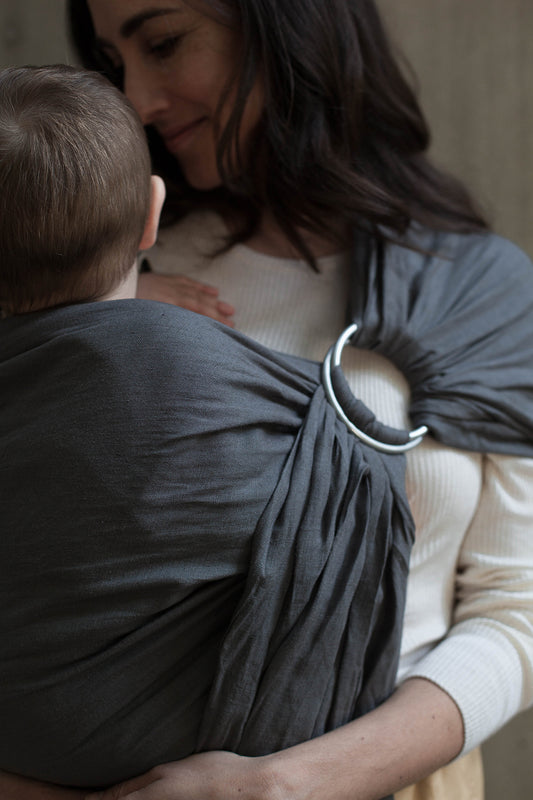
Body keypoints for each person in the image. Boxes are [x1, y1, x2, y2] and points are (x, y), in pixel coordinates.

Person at [2, 0, 533, 797]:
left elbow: (515, 610)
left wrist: (290, 783)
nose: (138, 100)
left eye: (164, 43)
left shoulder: (479, 296)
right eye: (114, 66)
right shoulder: (82, 263)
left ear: (286, 25)